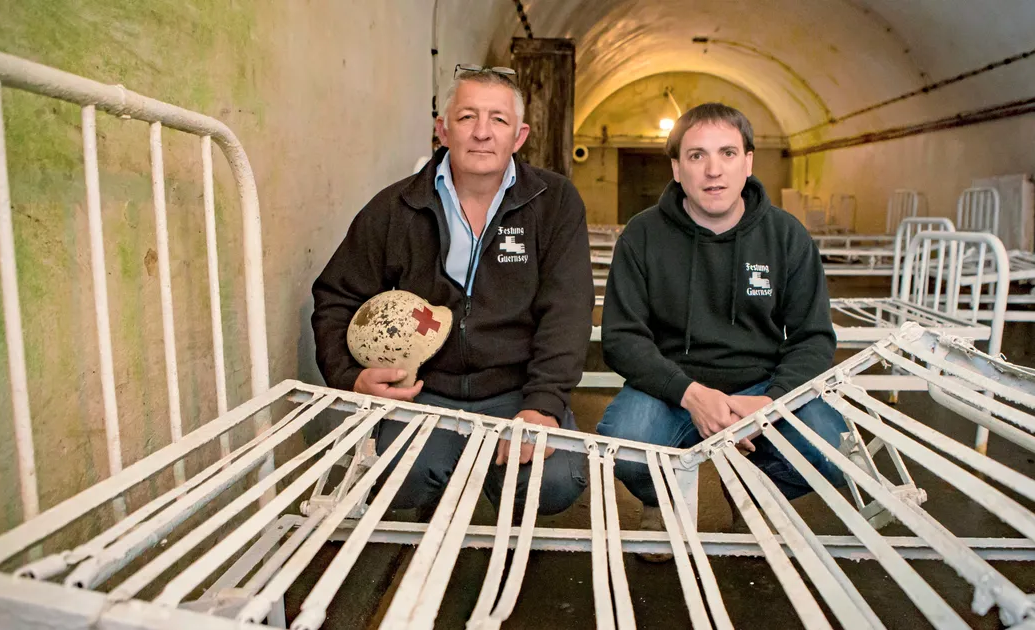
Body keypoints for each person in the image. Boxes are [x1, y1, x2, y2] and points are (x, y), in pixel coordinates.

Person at [312, 65, 593, 516]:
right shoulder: (396, 206)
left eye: (498, 120)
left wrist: (543, 405)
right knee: (400, 480)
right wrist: (351, 376)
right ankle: (436, 484)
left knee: (553, 482)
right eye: (467, 118)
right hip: (424, 390)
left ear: (519, 137)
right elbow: (336, 296)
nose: (482, 133)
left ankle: (503, 503)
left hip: (516, 389)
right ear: (442, 129)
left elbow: (568, 310)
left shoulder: (554, 202)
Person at [596, 102, 846, 532]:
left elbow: (813, 337)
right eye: (697, 156)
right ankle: (662, 494)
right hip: (671, 385)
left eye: (728, 153)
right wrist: (691, 394)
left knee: (832, 448)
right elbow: (621, 337)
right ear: (677, 169)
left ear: (748, 162)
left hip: (761, 387)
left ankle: (752, 488)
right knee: (625, 443)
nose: (714, 170)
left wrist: (770, 403)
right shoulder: (643, 234)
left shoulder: (786, 236)